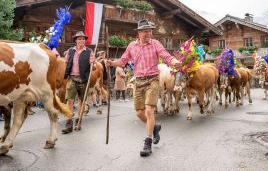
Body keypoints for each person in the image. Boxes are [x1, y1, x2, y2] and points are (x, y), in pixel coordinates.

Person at [106, 19, 182, 157]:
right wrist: (111, 63)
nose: (149, 33)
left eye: (150, 30)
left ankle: (148, 141)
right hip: (138, 81)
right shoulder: (131, 46)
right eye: (145, 31)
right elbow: (122, 61)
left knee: (148, 111)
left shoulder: (155, 44)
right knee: (139, 113)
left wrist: (174, 61)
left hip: (152, 80)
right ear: (139, 33)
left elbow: (165, 56)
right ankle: (155, 128)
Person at [62, 31, 94, 133]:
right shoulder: (70, 51)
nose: (82, 40)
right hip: (72, 78)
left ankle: (78, 121)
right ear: (75, 40)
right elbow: (65, 63)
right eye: (79, 39)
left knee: (81, 101)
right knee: (69, 101)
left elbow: (94, 67)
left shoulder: (89, 52)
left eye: (83, 39)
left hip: (84, 79)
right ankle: (68, 123)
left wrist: (93, 64)